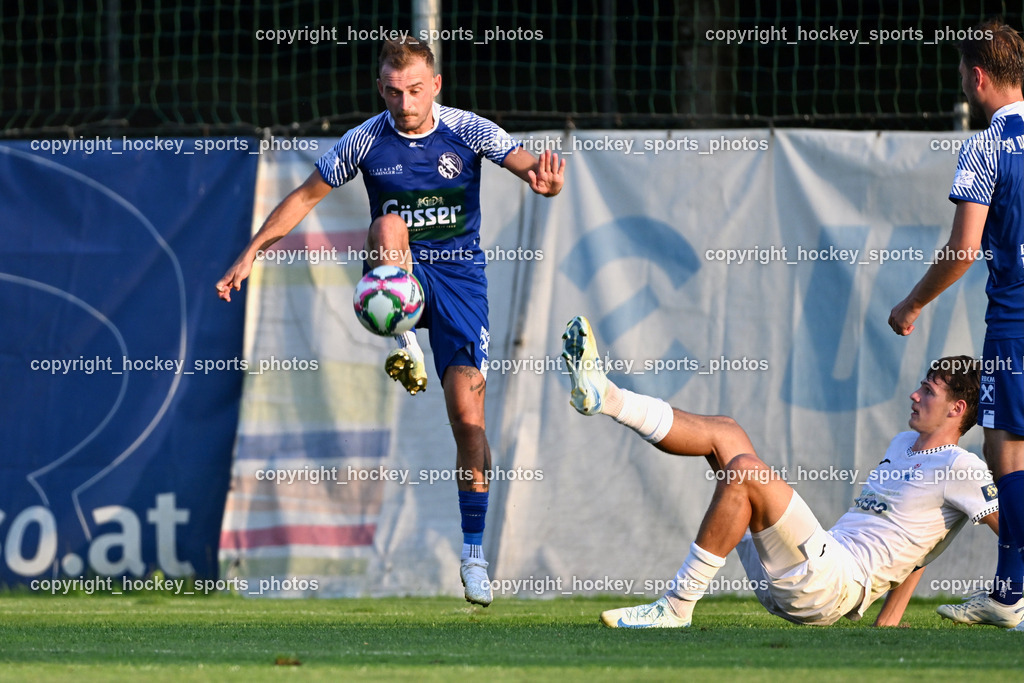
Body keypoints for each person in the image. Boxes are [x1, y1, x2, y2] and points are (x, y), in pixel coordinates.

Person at [216, 38, 565, 606]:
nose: (405, 103)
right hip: (395, 272)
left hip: (460, 282)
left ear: (436, 86)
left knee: (468, 421)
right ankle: (404, 337)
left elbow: (526, 165)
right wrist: (251, 252)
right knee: (387, 226)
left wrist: (545, 181)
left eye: (415, 90)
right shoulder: (366, 139)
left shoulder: (468, 130)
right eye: (394, 92)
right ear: (381, 89)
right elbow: (304, 198)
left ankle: (473, 554)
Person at [560, 315, 1002, 628]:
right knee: (726, 433)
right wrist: (888, 621)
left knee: (744, 470)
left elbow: (1012, 531)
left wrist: (1011, 600)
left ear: (956, 409)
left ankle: (676, 606)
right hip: (808, 567)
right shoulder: (903, 443)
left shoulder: (962, 466)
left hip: (833, 587)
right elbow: (918, 543)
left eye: (928, 391)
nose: (914, 395)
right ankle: (608, 397)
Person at [888, 19, 1024, 628]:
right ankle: (1009, 594)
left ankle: (1010, 595)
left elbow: (964, 249)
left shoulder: (986, 146)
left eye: (964, 75)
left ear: (978, 76)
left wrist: (912, 304)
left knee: (1007, 452)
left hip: (1016, 321)